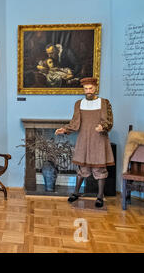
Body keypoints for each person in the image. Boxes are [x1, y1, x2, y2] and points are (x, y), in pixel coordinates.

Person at [55, 77, 114, 207]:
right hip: (84, 139)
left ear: (95, 88)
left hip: (99, 139)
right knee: (83, 168)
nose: (88, 91)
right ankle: (76, 193)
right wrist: (64, 129)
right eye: (86, 88)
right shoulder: (79, 103)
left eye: (90, 88)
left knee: (100, 169)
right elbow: (75, 123)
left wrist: (103, 127)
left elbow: (109, 121)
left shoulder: (104, 103)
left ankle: (100, 197)